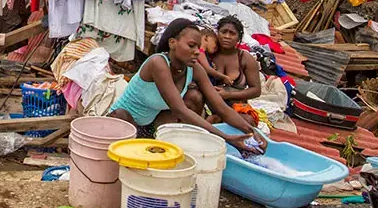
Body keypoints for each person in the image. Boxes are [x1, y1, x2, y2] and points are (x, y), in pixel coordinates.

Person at [108, 18, 266, 154]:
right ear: (172, 43)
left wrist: (252, 132)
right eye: (191, 46)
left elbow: (221, 108)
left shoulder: (194, 68)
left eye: (198, 47)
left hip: (150, 125)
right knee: (122, 117)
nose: (197, 52)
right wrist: (226, 138)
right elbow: (179, 109)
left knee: (192, 99)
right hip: (123, 123)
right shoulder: (158, 63)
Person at [207, 16, 262, 103]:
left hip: (236, 105)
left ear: (239, 38)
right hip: (209, 102)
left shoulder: (245, 59)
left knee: (248, 117)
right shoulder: (209, 55)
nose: (227, 36)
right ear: (217, 33)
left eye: (232, 33)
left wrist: (228, 95)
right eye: (223, 32)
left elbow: (256, 90)